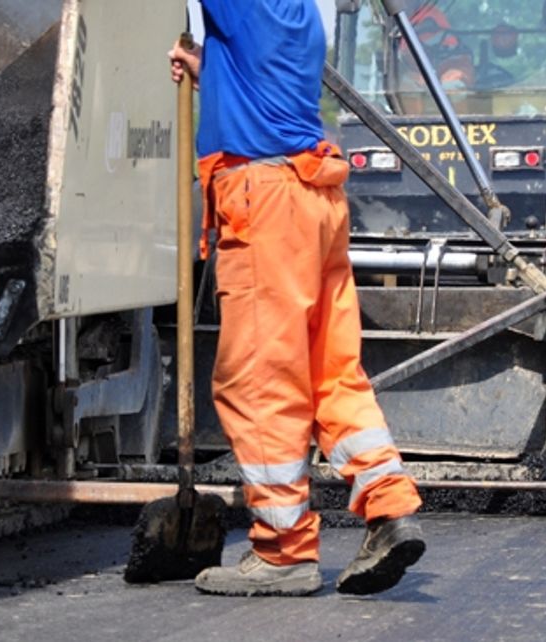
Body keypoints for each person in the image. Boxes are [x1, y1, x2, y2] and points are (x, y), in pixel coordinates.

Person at [168, 0, 425, 597]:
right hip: (312, 198)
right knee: (333, 373)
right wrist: (214, 70)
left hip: (265, 203)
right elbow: (261, 75)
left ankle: (284, 551)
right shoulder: (299, 13)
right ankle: (387, 508)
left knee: (260, 379)